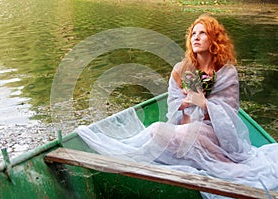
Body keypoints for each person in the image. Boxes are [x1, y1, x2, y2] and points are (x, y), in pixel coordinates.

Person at [77, 14, 278, 198]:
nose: (196, 38)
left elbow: (230, 114)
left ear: (214, 40)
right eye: (193, 34)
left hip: (216, 133)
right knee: (159, 132)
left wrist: (204, 104)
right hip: (186, 126)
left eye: (202, 33)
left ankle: (228, 166)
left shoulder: (227, 73)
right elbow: (173, 105)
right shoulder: (183, 69)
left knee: (158, 130)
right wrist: (182, 104)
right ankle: (125, 150)